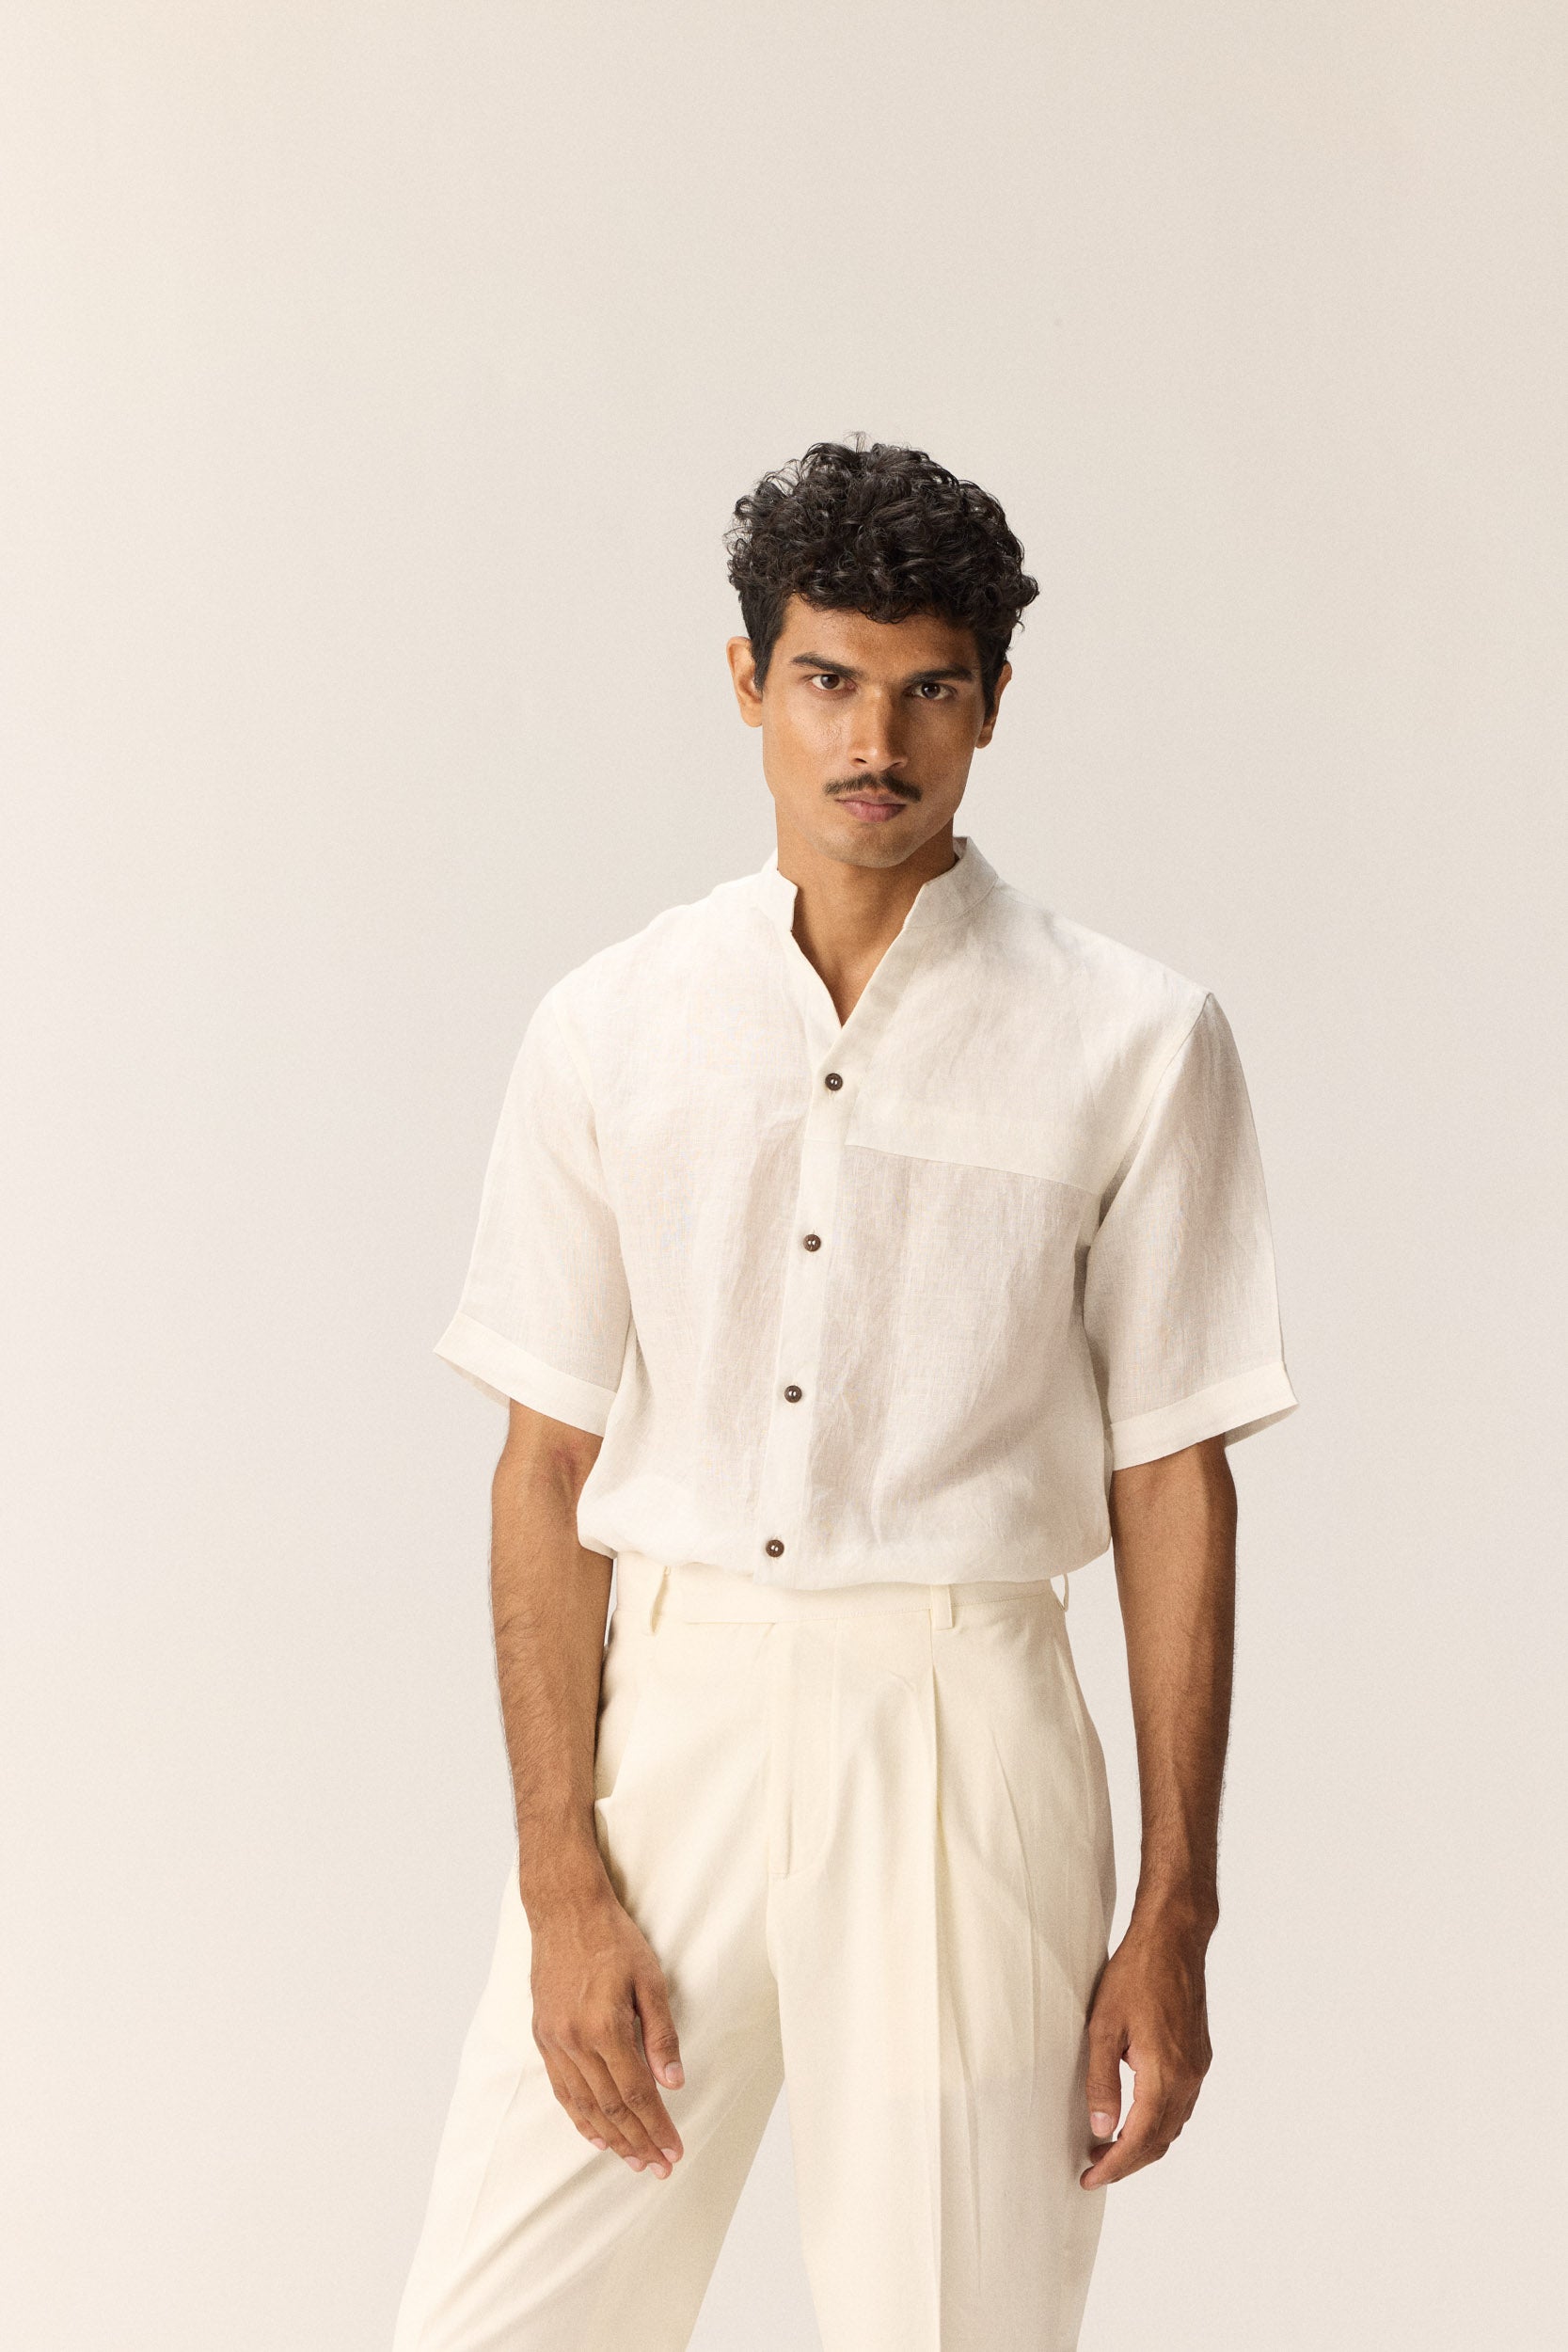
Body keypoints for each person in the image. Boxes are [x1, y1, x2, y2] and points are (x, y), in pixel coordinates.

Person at [391, 440, 1298, 2352]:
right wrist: (559, 1871)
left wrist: (1177, 1909)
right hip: (672, 1734)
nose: (873, 739)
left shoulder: (1134, 1039)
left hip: (964, 1733)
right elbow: (545, 1459)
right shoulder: (612, 1025)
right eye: (826, 679)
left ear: (992, 700)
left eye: (927, 688)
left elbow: (1174, 1478)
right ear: (750, 682)